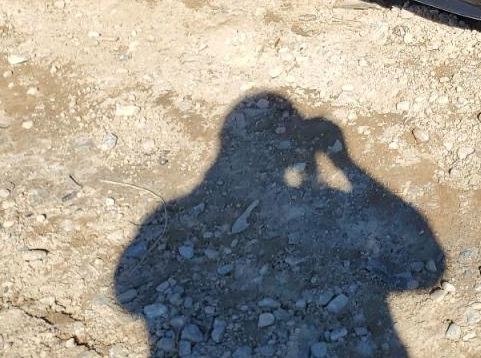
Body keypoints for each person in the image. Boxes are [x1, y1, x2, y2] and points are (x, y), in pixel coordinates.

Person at [114, 93, 443, 357]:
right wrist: (345, 164)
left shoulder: (169, 214)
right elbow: (428, 269)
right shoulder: (330, 199)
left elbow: (128, 295)